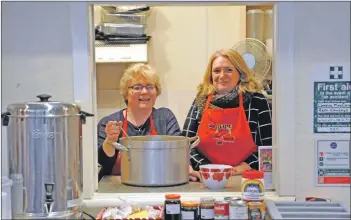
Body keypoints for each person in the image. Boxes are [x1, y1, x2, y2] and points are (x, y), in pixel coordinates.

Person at [183, 49, 272, 182]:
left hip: (246, 179)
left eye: (229, 70)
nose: (222, 75)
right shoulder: (200, 101)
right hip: (207, 179)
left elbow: (269, 146)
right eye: (217, 71)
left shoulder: (257, 101)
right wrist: (208, 168)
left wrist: (246, 166)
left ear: (240, 73)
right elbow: (184, 144)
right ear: (210, 75)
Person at [97, 63, 182, 181]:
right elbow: (102, 160)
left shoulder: (165, 118)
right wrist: (110, 141)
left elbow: (178, 153)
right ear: (126, 93)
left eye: (149, 86)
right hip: (117, 189)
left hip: (158, 183)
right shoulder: (109, 123)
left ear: (156, 92)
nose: (144, 91)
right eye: (137, 87)